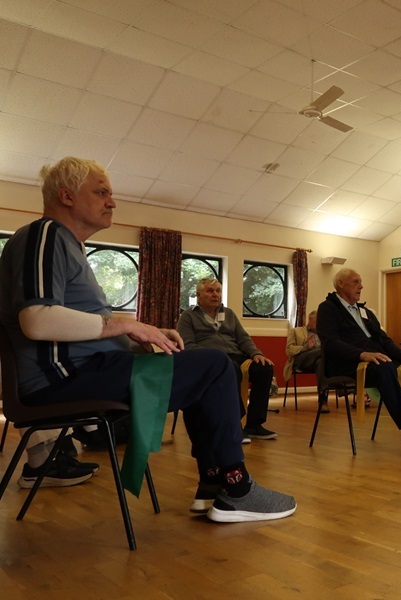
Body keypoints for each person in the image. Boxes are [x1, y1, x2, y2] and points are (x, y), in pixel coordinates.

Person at [0, 156, 296, 522]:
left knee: (207, 370)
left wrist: (138, 336)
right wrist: (126, 327)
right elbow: (38, 321)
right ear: (67, 196)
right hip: (63, 380)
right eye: (102, 192)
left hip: (84, 371)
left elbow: (78, 325)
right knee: (216, 365)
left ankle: (215, 484)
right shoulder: (44, 235)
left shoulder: (64, 244)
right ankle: (235, 486)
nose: (112, 201)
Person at [316, 268, 401, 460]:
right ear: (341, 284)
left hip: (378, 359)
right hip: (347, 363)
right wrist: (362, 354)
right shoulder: (328, 308)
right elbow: (330, 342)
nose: (361, 286)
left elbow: (384, 340)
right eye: (356, 282)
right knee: (385, 367)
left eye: (360, 282)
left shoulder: (365, 311)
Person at [178, 278, 278, 441]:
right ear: (198, 295)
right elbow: (187, 345)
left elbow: (243, 338)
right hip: (211, 360)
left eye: (218, 291)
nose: (215, 294)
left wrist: (256, 353)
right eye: (210, 291)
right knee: (229, 368)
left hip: (236, 355)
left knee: (264, 368)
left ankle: (254, 425)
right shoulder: (188, 316)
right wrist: (214, 356)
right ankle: (234, 425)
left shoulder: (229, 313)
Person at [284, 310, 325, 411]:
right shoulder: (296, 331)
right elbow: (289, 349)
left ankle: (323, 400)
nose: (319, 323)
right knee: (323, 352)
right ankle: (342, 387)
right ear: (309, 320)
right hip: (301, 359)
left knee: (320, 362)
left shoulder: (323, 333)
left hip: (319, 361)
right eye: (316, 321)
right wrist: (305, 347)